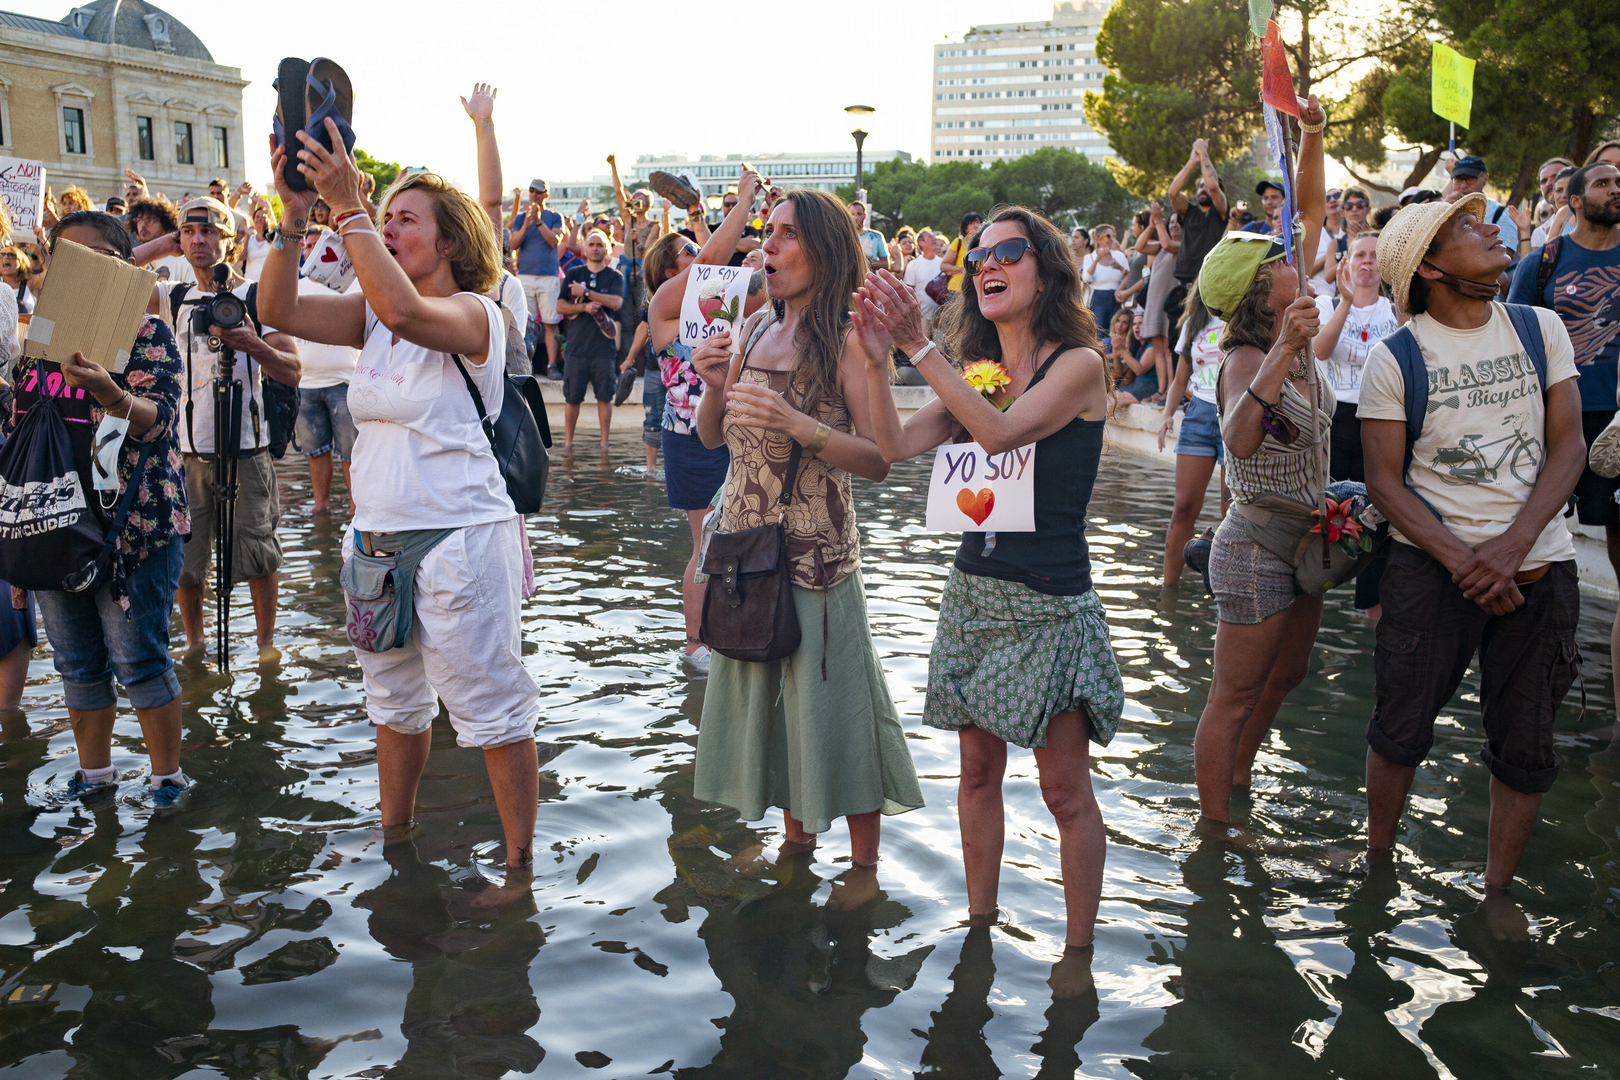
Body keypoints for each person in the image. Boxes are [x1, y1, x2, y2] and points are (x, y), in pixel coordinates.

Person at [260, 114, 542, 885]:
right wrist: (293, 215)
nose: (386, 228)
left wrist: (349, 205)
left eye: (404, 220)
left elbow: (409, 313)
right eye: (384, 218)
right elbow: (277, 312)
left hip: (460, 537)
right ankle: (396, 839)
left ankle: (518, 868)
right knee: (391, 703)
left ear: (450, 242)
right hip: (375, 541)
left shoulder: (478, 313)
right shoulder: (367, 313)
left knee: (491, 708)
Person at [852, 205, 1121, 952]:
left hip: (1049, 602)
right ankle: (979, 925)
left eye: (1010, 251)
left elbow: (1001, 433)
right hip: (975, 592)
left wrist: (916, 343)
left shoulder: (1080, 365)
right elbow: (893, 445)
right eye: (980, 256)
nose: (989, 265)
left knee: (1064, 792)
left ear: (1048, 269)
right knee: (974, 774)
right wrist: (879, 359)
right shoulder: (980, 373)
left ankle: (1077, 956)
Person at [688, 187, 922, 892]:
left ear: (822, 250)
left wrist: (798, 424)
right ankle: (796, 847)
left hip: (817, 561)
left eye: (786, 236)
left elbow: (880, 460)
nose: (768, 248)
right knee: (782, 719)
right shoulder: (754, 329)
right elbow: (712, 439)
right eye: (768, 234)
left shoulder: (849, 342)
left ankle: (864, 867)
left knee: (839, 717)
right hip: (747, 558)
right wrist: (708, 386)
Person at [1359, 194, 1584, 892]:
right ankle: (1379, 861)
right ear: (1429, 266)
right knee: (1400, 726)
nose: (1490, 227)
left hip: (1538, 567)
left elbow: (1569, 445)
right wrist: (1467, 561)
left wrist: (1513, 548)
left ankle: (1496, 888)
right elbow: (1384, 484)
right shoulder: (1395, 359)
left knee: (1526, 740)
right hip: (1432, 573)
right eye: (1464, 226)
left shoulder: (1539, 327)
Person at [7, 212, 191, 806]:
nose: (77, 271)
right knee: (77, 664)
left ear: (123, 266)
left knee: (139, 660)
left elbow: (159, 420)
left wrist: (110, 393)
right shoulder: (38, 340)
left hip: (134, 527)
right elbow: (16, 444)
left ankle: (166, 778)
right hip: (55, 526)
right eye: (64, 258)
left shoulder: (147, 332)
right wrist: (15, 550)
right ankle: (96, 776)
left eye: (92, 258)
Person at [1191, 94, 1329, 826]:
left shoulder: (1298, 328)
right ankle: (1215, 831)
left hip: (1310, 535)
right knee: (1235, 694)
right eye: (1279, 262)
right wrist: (1282, 349)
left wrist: (1309, 133)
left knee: (1289, 676)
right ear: (1257, 292)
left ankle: (1240, 776)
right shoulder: (1246, 357)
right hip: (1255, 544)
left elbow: (1307, 210)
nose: (1293, 261)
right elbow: (1241, 439)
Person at [144, 197, 300, 661]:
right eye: (189, 232)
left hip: (247, 451)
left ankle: (266, 647)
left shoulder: (256, 295)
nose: (198, 240)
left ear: (228, 240)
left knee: (258, 555)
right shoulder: (170, 295)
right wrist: (160, 245)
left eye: (209, 231)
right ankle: (195, 646)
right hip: (186, 454)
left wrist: (254, 344)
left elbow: (293, 369)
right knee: (186, 565)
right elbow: (103, 277)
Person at [1509, 161, 1620, 705]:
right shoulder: (1543, 262)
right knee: (1537, 548)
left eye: (1619, 182)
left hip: (1619, 426)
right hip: (1555, 418)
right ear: (1574, 200)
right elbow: (1512, 337)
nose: (1616, 189)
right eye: (1603, 182)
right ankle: (1530, 670)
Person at [647, 171, 766, 672]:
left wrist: (762, 258)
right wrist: (741, 204)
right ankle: (696, 643)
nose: (699, 254)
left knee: (745, 536)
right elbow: (713, 261)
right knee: (706, 541)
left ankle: (739, 632)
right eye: (687, 252)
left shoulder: (723, 304)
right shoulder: (662, 311)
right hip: (690, 439)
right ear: (669, 269)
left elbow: (765, 292)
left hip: (737, 430)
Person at [1157, 284, 1228, 587]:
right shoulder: (1193, 322)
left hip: (1235, 412)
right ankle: (1167, 593)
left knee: (1232, 508)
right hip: (1198, 413)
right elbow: (1179, 379)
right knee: (1184, 506)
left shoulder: (1244, 316)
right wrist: (1166, 415)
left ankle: (1229, 595)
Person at [293, 272, 359, 513]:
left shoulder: (353, 283)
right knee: (315, 451)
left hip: (344, 380)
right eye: (308, 245)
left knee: (352, 452)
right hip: (305, 382)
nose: (313, 251)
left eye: (317, 245)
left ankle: (356, 506)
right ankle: (321, 506)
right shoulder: (294, 285)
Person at [557, 230, 623, 451]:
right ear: (584, 249)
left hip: (603, 349)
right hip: (576, 347)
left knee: (604, 397)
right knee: (572, 398)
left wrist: (586, 293)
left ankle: (604, 445)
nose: (595, 248)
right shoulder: (574, 273)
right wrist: (583, 307)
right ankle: (568, 444)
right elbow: (560, 307)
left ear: (606, 249)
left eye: (599, 244)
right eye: (591, 244)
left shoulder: (615, 277)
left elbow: (616, 303)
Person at [509, 180, 564, 377]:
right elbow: (513, 244)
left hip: (548, 276)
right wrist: (525, 225)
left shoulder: (554, 216)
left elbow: (554, 241)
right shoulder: (520, 218)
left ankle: (552, 365)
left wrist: (539, 222)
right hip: (525, 276)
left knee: (550, 323)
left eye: (539, 192)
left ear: (545, 195)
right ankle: (527, 365)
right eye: (531, 191)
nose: (534, 195)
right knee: (525, 324)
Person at [1138, 202, 1182, 390]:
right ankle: (1161, 390)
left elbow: (1167, 243)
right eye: (1170, 222)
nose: (1173, 225)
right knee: (1158, 349)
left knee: (1167, 349)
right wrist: (1151, 226)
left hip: (1169, 304)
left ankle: (1171, 391)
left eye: (1177, 222)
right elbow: (1139, 246)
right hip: (1154, 303)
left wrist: (1158, 222)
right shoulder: (1160, 247)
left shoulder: (1181, 245)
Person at [1447, 156, 1521, 257]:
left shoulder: (1500, 214)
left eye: (1470, 179)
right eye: (1458, 179)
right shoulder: (1446, 210)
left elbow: (1503, 258)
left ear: (1485, 179)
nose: (1463, 185)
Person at [1081, 226, 1129, 337]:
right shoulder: (1090, 257)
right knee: (1099, 333)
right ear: (1098, 239)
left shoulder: (1119, 256)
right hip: (1098, 297)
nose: (1111, 239)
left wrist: (1120, 268)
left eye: (1112, 236)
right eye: (1108, 236)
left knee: (1117, 332)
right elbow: (1086, 278)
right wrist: (1097, 259)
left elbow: (1128, 275)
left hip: (1116, 297)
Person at [902, 228, 944, 332]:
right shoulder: (913, 265)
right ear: (922, 243)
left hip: (941, 319)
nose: (934, 239)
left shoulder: (943, 264)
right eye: (930, 237)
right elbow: (908, 292)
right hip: (921, 318)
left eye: (934, 237)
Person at [942, 212, 983, 294]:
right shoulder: (958, 242)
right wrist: (964, 270)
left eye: (978, 222)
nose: (976, 226)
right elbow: (944, 266)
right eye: (971, 223)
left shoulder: (985, 242)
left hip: (978, 289)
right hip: (957, 290)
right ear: (965, 228)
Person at [241, 199, 276, 281]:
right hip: (250, 282)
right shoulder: (249, 238)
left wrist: (268, 207)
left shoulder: (274, 236)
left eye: (264, 217)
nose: (260, 219)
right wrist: (247, 236)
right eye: (257, 217)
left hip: (269, 281)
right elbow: (241, 257)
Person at [850, 201, 889, 270]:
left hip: (869, 278)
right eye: (852, 214)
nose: (855, 217)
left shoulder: (876, 236)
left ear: (865, 215)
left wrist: (867, 263)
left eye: (859, 214)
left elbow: (885, 264)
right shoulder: (842, 236)